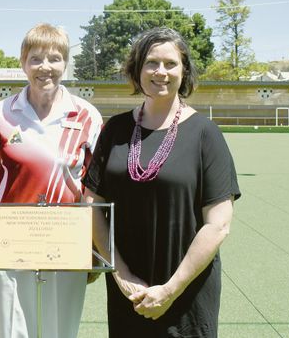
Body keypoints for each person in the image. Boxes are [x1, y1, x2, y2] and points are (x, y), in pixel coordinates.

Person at [83, 27, 241, 338]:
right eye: (151, 63)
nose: (161, 72)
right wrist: (121, 273)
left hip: (187, 293)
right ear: (136, 70)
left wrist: (171, 289)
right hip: (130, 293)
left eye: (171, 63)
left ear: (185, 70)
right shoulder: (115, 130)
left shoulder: (205, 134)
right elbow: (92, 203)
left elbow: (218, 225)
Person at [0, 23, 102, 338]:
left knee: (61, 331)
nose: (46, 67)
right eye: (36, 58)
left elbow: (94, 191)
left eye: (55, 58)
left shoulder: (88, 116)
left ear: (65, 63)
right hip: (9, 246)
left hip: (67, 244)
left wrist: (95, 248)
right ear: (22, 62)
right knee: (13, 332)